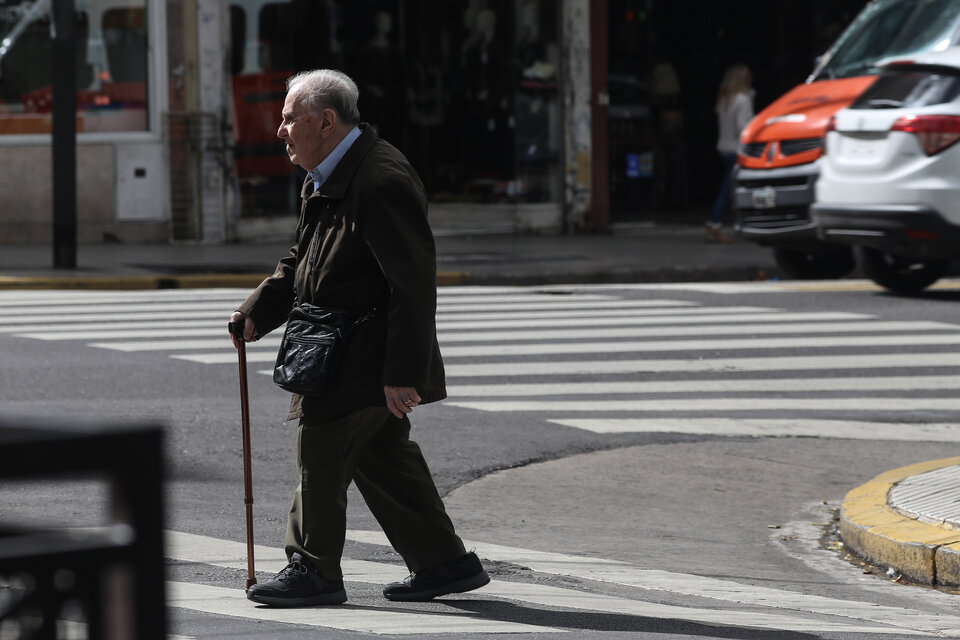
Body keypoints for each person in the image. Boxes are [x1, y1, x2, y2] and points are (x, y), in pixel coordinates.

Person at [229, 69, 489, 607]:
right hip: (338, 345)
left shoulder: (380, 180)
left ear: (325, 121)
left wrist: (402, 374)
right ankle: (444, 562)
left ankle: (312, 568)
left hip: (366, 353)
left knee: (321, 443)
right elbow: (304, 258)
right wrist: (259, 309)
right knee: (381, 456)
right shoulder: (327, 174)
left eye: (288, 119)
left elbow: (413, 286)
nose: (280, 130)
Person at [707, 64, 753, 243]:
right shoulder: (742, 100)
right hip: (737, 149)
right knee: (728, 190)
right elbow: (742, 127)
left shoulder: (726, 99)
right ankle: (715, 224)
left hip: (724, 148)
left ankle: (724, 224)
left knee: (730, 189)